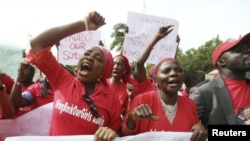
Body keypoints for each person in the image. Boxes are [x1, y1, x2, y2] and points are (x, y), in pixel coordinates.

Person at [25, 11, 122, 141]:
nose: (89, 58)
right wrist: (83, 24)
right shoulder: (62, 79)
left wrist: (111, 133)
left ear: (103, 73)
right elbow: (37, 43)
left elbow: (118, 133)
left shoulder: (112, 100)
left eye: (98, 58)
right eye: (86, 53)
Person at [121, 57, 207, 141]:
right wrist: (131, 119)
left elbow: (196, 130)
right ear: (156, 79)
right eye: (166, 71)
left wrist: (199, 130)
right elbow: (125, 135)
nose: (174, 73)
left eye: (179, 70)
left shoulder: (190, 104)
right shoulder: (141, 100)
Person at [189, 32, 250, 128]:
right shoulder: (203, 93)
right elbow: (185, 130)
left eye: (248, 49)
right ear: (222, 62)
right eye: (239, 50)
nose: (247, 52)